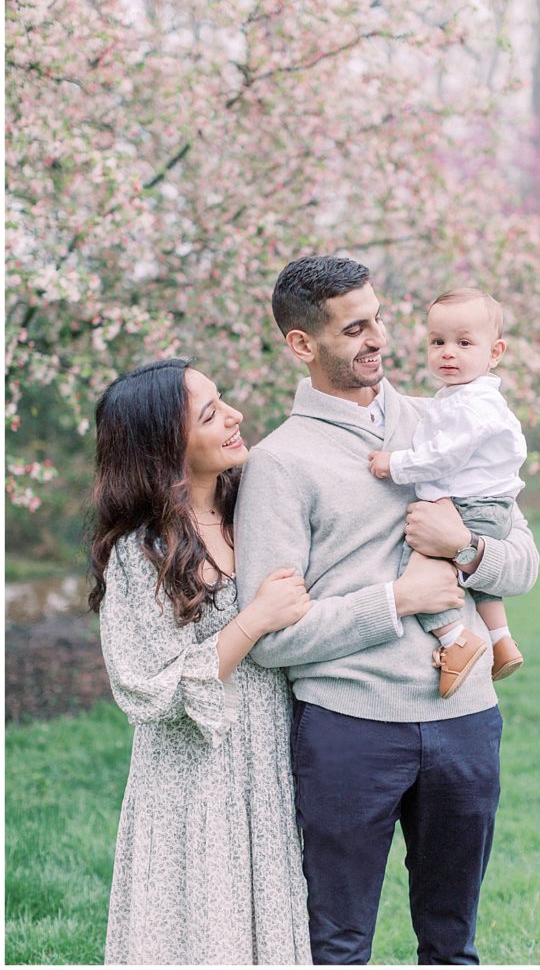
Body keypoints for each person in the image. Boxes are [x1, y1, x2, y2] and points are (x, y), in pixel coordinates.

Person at [234, 255, 540, 965]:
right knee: (337, 946)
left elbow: (521, 564)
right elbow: (271, 641)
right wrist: (397, 601)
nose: (379, 340)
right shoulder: (280, 464)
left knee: (452, 942)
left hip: (465, 720)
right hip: (349, 730)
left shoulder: (450, 421)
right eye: (355, 329)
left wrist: (465, 550)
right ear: (302, 345)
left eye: (379, 320)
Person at [87, 358, 313, 965]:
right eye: (209, 414)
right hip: (192, 779)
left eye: (223, 401)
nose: (235, 416)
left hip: (269, 762)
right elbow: (145, 691)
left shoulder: (256, 511)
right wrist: (253, 619)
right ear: (165, 447)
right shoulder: (140, 552)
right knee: (204, 932)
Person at [368, 286, 527, 698]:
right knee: (479, 579)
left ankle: (456, 639)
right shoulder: (465, 399)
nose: (447, 353)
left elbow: (442, 457)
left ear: (495, 353)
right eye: (438, 342)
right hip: (490, 505)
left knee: (416, 567)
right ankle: (501, 638)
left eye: (464, 342)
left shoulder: (469, 406)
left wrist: (395, 463)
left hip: (471, 506)